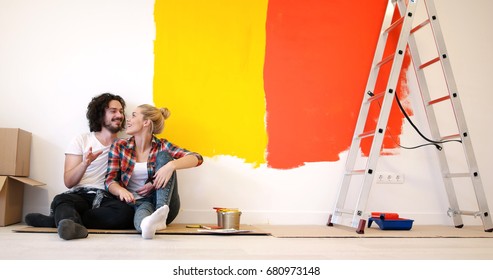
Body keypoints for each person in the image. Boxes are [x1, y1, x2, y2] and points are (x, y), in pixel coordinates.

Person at [24, 93, 135, 240]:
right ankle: (68, 221)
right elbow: (69, 181)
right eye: (113, 111)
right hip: (80, 195)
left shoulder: (125, 145)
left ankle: (59, 221)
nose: (119, 115)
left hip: (107, 198)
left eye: (121, 111)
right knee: (61, 200)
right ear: (100, 113)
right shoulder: (82, 139)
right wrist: (85, 164)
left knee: (126, 213)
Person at [105, 104, 203, 239]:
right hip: (136, 203)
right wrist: (121, 191)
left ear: (146, 122)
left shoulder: (162, 145)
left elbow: (197, 158)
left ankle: (161, 213)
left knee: (164, 157)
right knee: (144, 220)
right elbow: (110, 180)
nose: (128, 119)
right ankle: (151, 224)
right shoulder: (119, 146)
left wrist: (170, 166)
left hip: (162, 202)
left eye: (133, 115)